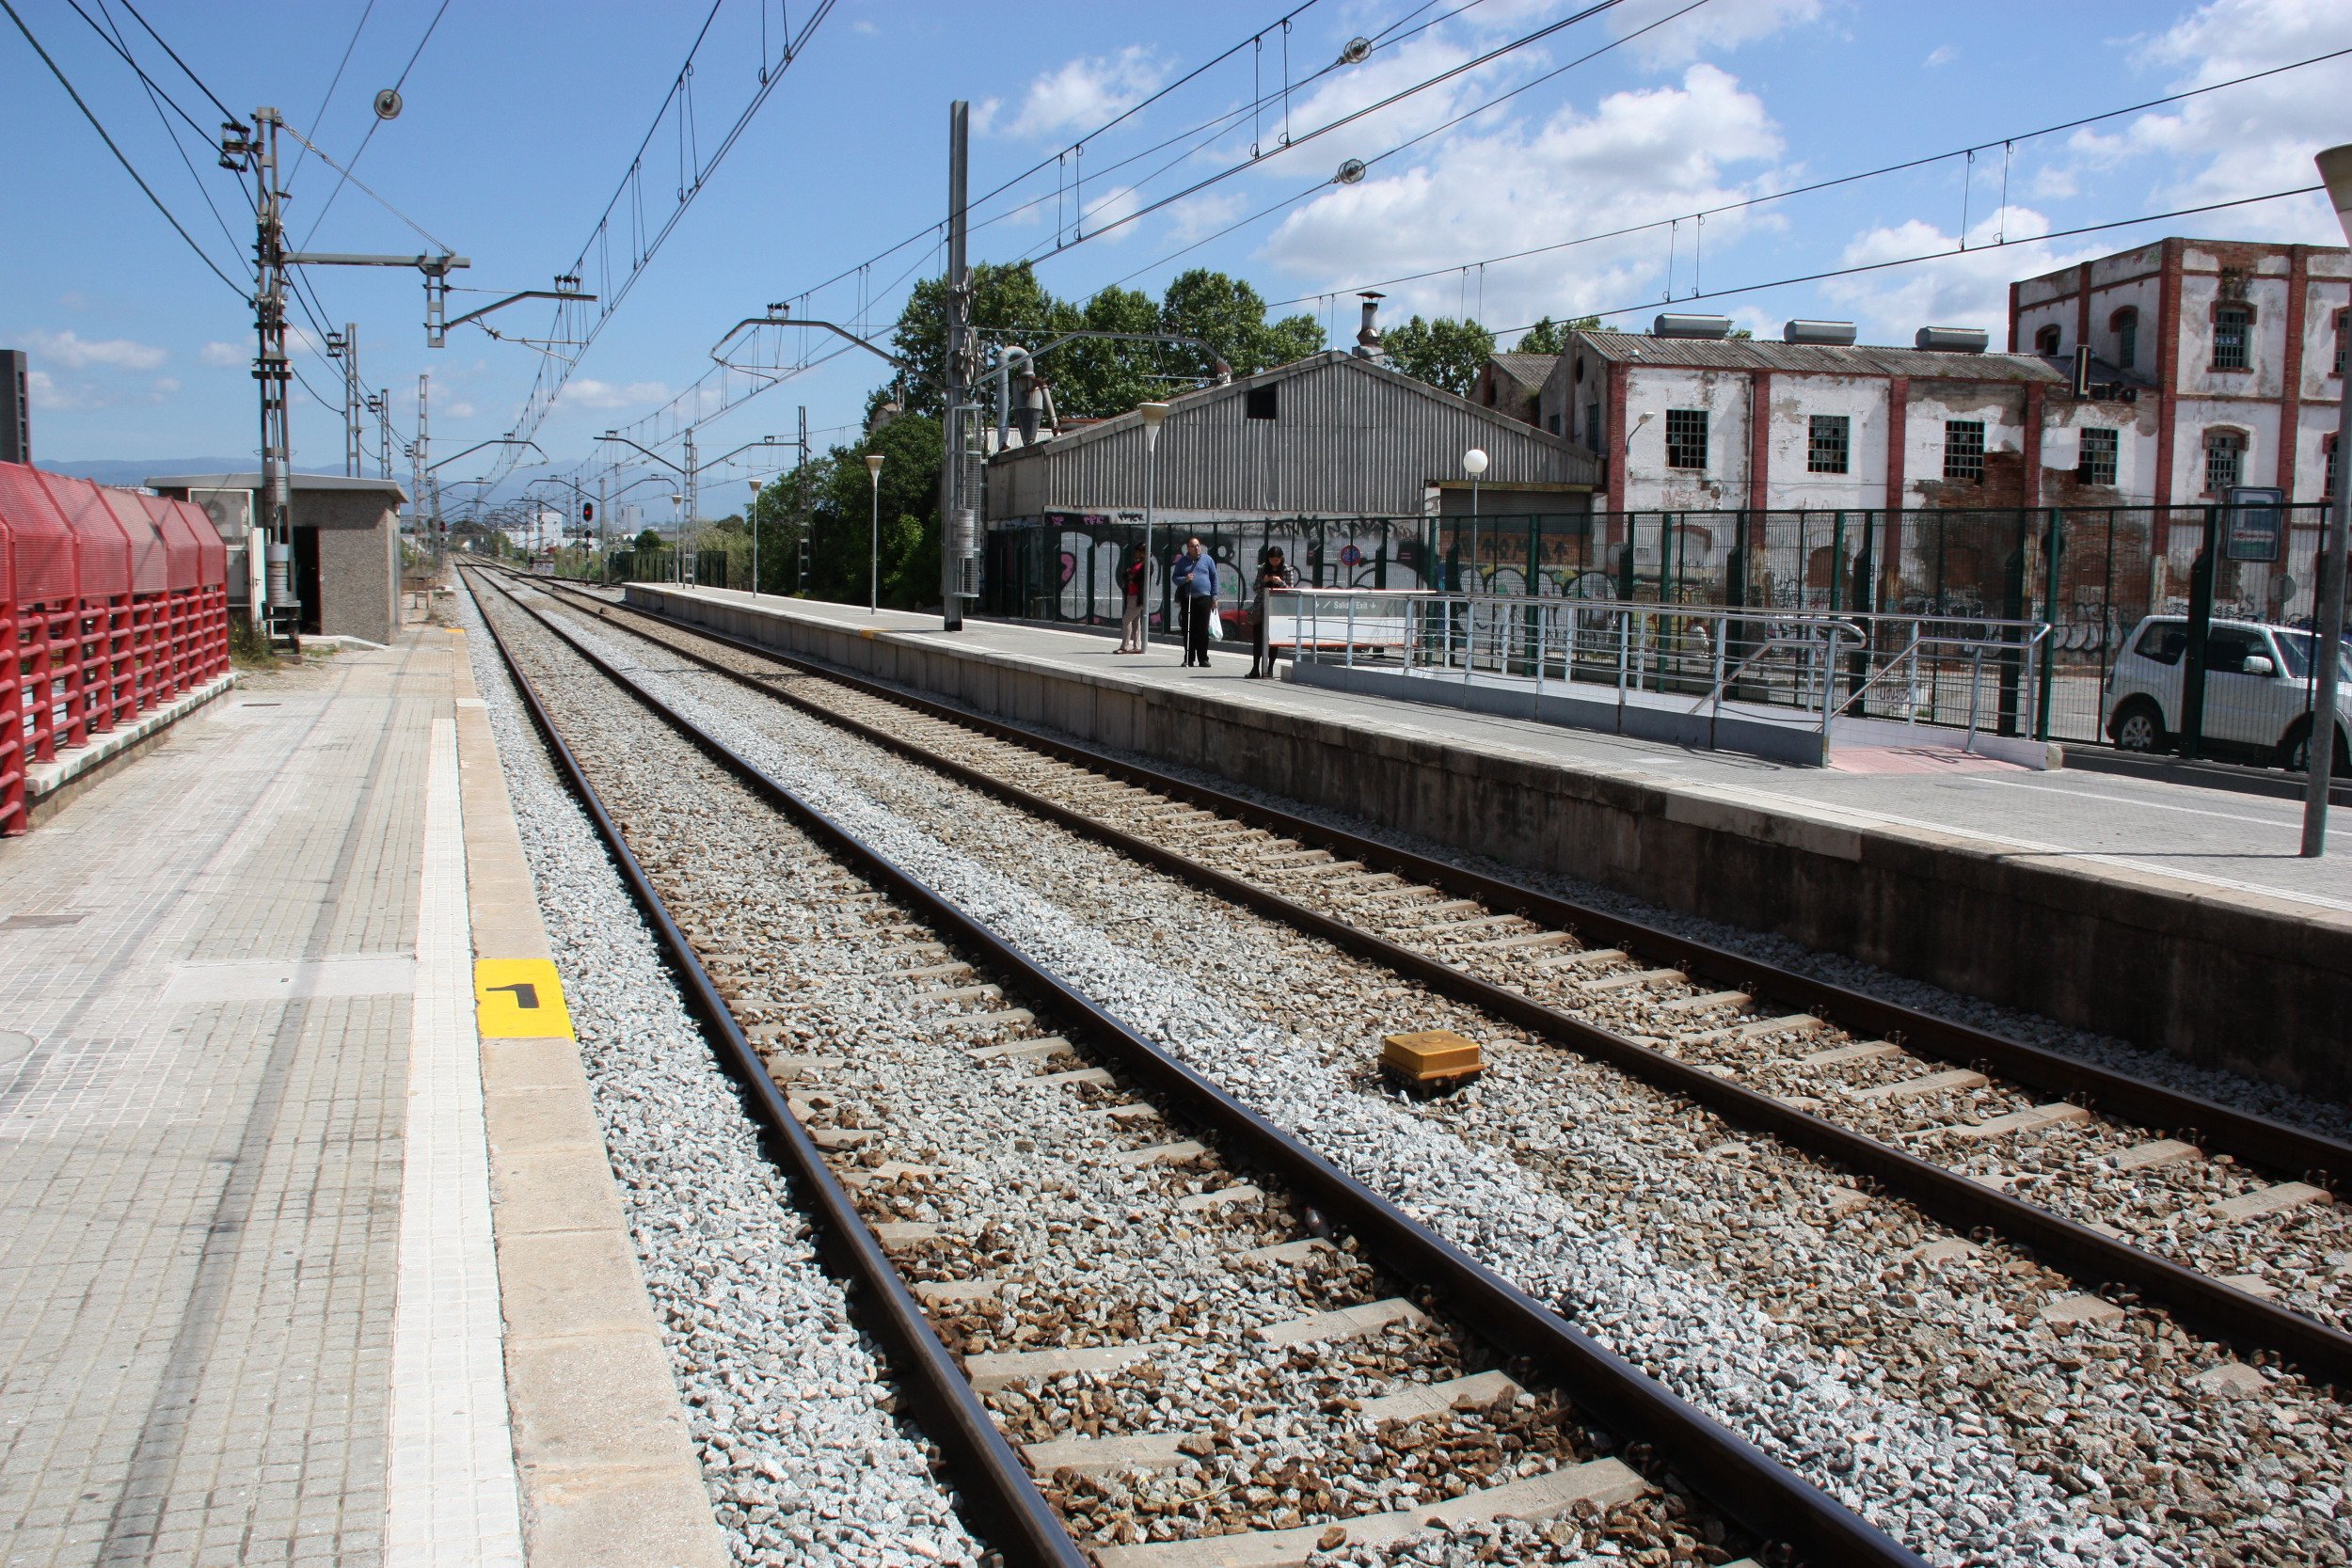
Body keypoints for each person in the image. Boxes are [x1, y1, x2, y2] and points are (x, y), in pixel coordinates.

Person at [1248, 546, 1295, 678]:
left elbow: (1291, 590)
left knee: (1273, 640)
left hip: (1278, 609)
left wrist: (1281, 583)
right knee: (1258, 639)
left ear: (1281, 559)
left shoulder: (1287, 570)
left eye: (1277, 560)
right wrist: (1264, 581)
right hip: (1261, 607)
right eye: (1272, 560)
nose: (1274, 562)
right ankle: (1255, 668)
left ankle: (1270, 668)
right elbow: (1256, 588)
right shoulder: (1263, 569)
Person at [1172, 536, 1217, 667]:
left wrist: (1214, 597)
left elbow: (1214, 579)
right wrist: (1185, 579)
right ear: (1188, 548)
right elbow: (1175, 578)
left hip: (1204, 598)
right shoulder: (1182, 562)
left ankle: (1203, 658)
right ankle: (1189, 658)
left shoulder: (1207, 560)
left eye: (1198, 545)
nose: (1197, 548)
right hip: (1189, 598)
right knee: (1188, 629)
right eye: (1194, 546)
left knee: (1203, 629)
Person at [1116, 544, 1148, 654]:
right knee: (1135, 621)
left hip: (1138, 597)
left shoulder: (1148, 564)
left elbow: (1143, 578)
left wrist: (1132, 578)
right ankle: (1137, 646)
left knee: (1126, 620)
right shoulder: (1137, 563)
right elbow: (1125, 575)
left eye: (1138, 551)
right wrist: (1130, 577)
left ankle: (1124, 646)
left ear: (1143, 552)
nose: (1136, 554)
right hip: (1130, 594)